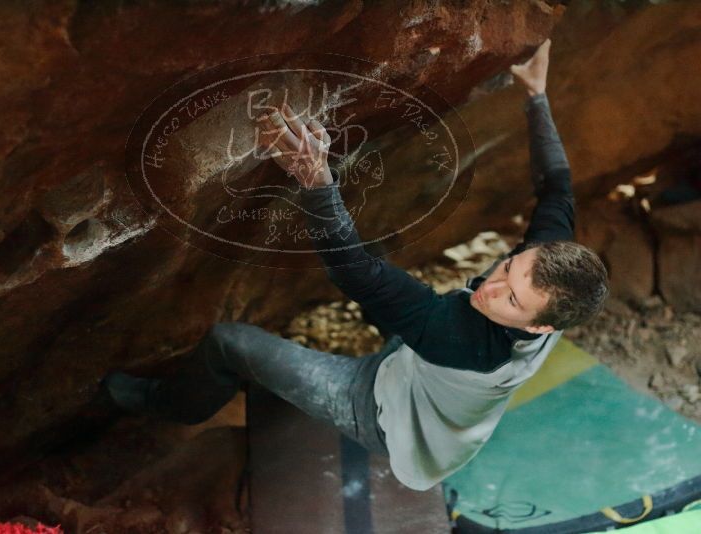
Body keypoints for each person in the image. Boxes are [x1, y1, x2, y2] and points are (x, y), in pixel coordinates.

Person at [102, 39, 609, 491]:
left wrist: (317, 181)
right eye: (507, 269)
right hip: (422, 365)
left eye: (512, 298)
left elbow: (356, 275)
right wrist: (536, 95)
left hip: (385, 412)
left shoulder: (462, 337)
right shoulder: (550, 270)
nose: (493, 287)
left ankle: (167, 405)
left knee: (228, 343)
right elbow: (557, 186)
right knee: (385, 270)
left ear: (541, 324)